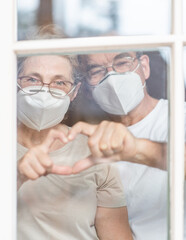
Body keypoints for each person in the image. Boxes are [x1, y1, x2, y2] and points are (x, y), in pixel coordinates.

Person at [17, 27, 133, 240]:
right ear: (15, 82)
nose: (44, 91)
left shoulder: (94, 153)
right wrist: (16, 177)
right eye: (32, 79)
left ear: (74, 92)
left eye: (59, 82)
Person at [60, 51, 186, 240]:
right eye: (96, 71)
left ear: (144, 66)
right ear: (86, 89)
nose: (111, 77)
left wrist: (137, 149)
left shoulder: (180, 116)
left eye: (122, 62)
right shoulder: (87, 140)